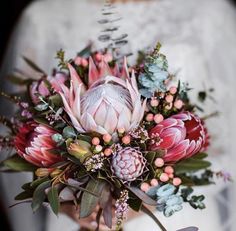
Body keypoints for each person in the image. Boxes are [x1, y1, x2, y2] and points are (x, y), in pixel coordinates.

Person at [0, 0, 236, 230]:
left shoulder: (208, 11)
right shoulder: (44, 15)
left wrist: (149, 200)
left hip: (175, 217)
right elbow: (23, 132)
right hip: (77, 218)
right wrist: (67, 205)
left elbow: (227, 141)